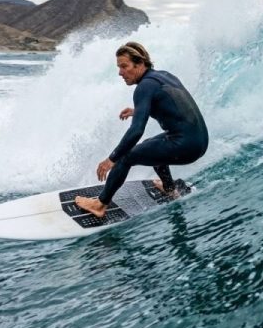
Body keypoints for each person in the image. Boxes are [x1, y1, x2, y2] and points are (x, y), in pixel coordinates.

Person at [75, 42, 208, 218]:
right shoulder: (164, 76)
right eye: (119, 67)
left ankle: (100, 205)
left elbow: (136, 131)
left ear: (140, 64)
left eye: (124, 66)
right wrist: (138, 111)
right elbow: (172, 106)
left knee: (125, 157)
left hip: (185, 145)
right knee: (149, 147)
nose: (120, 72)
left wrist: (111, 159)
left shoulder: (143, 87)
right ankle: (169, 188)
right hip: (199, 141)